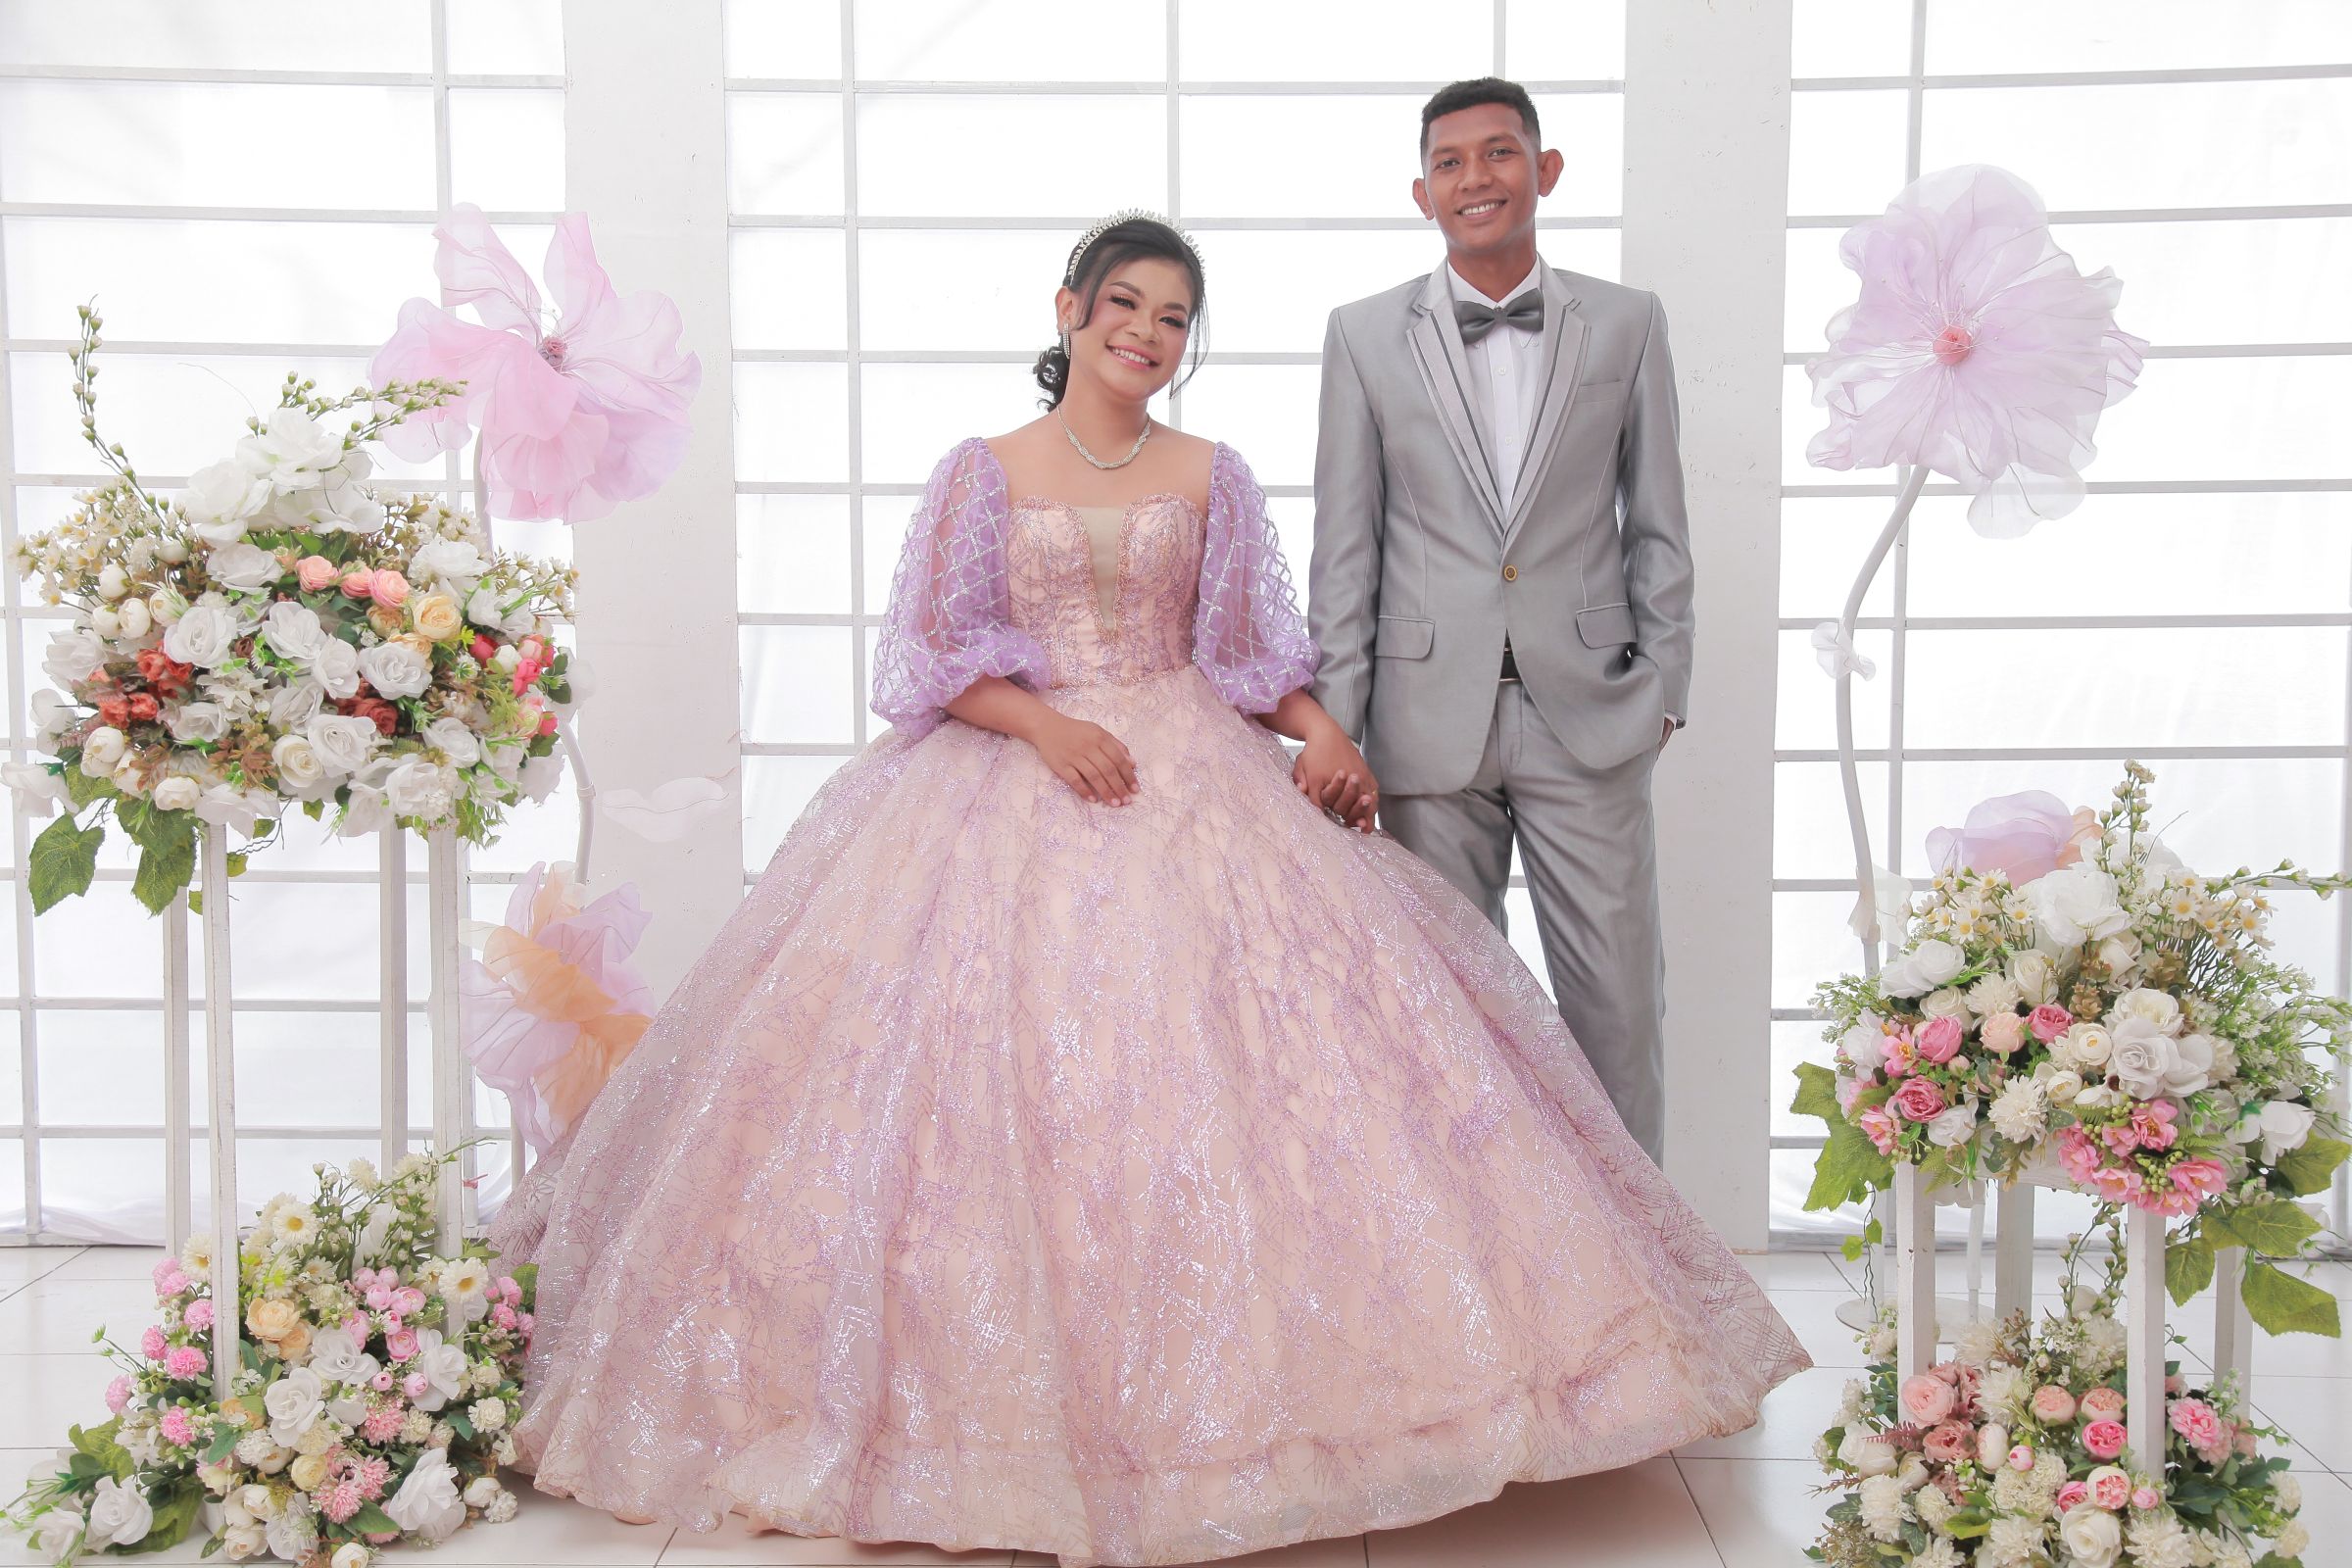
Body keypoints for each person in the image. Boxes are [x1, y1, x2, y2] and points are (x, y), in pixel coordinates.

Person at [491, 213, 1801, 1568]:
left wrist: (1323, 732)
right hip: (1012, 774)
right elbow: (931, 658)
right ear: (1068, 309)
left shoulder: (1209, 473)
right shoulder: (983, 471)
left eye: (1174, 317)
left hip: (1192, 768)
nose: (1147, 333)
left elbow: (1247, 656)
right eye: (1125, 303)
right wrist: (1044, 724)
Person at [1309, 78, 1695, 1163]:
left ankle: (1637, 1256)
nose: (1475, 178)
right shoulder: (1363, 335)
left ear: (1545, 169)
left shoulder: (1626, 321)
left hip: (1592, 714)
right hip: (1422, 721)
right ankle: (1483, 1263)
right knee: (1446, 1026)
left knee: (1620, 1011)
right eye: (1450, 162)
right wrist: (1338, 727)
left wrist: (1665, 689)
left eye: (1498, 153)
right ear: (1422, 191)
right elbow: (1344, 548)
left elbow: (1660, 523)